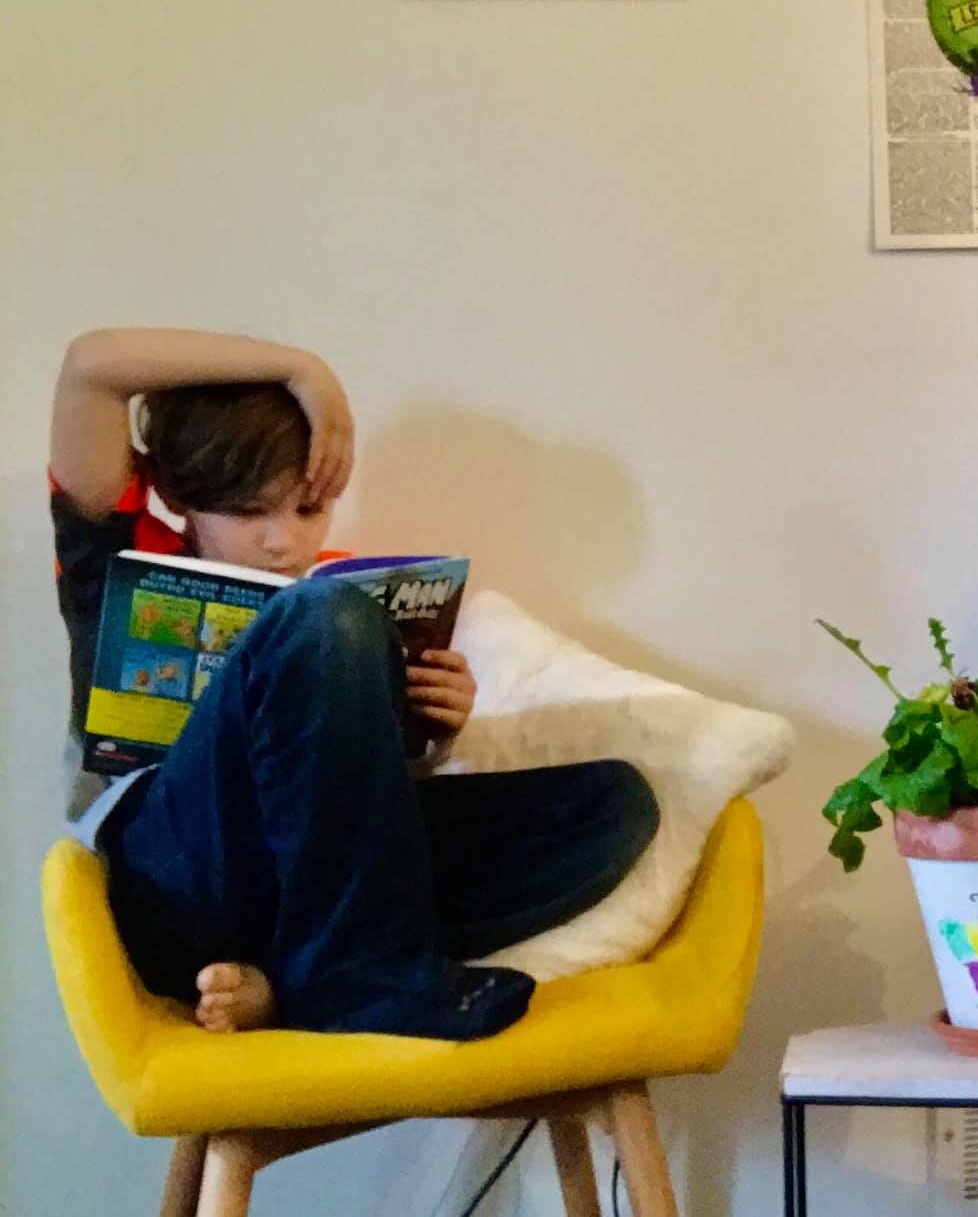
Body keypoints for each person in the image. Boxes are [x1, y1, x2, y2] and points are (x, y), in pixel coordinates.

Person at [51, 328, 661, 1040]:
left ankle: (305, 983)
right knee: (321, 618)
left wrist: (433, 729)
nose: (283, 541)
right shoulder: (117, 556)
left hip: (319, 891)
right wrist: (300, 369)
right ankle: (361, 975)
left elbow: (352, 806)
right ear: (179, 497)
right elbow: (90, 367)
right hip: (180, 877)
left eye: (308, 510)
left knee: (613, 805)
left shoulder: (346, 594)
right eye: (249, 513)